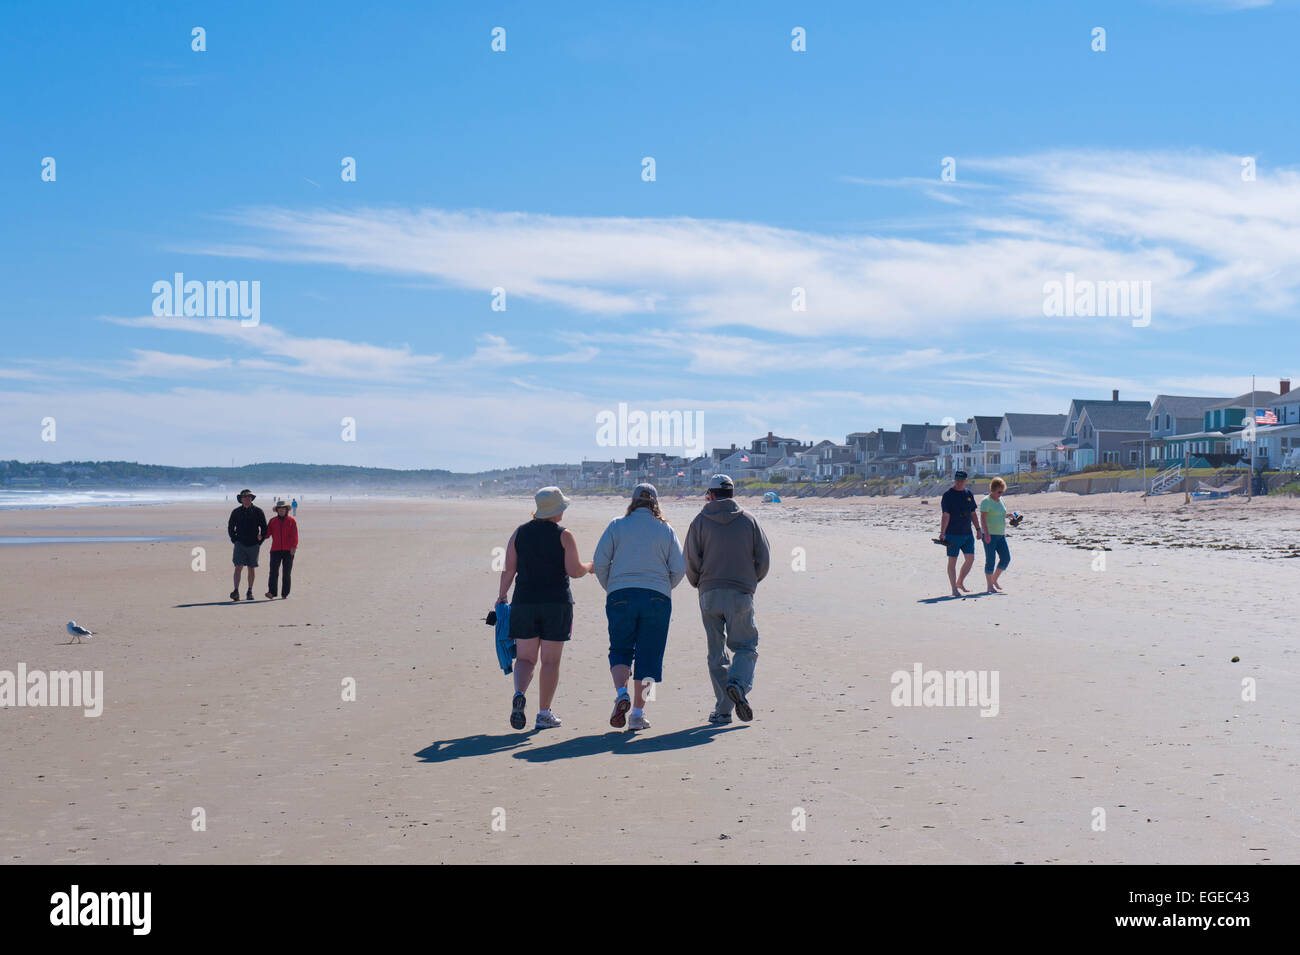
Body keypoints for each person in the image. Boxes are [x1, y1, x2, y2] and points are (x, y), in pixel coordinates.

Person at [496, 487, 593, 730]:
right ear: (557, 510)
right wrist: (590, 566)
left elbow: (509, 568)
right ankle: (543, 714)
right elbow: (574, 570)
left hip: (524, 603)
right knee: (550, 662)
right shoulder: (564, 535)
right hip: (556, 604)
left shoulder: (520, 533)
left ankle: (520, 693)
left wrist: (501, 596)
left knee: (526, 658)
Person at [592, 484, 686, 731]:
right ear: (655, 503)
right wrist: (664, 588)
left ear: (632, 502)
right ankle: (637, 714)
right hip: (657, 597)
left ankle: (621, 692)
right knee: (649, 655)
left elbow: (600, 562)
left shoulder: (616, 525)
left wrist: (611, 587)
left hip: (620, 594)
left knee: (621, 649)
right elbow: (679, 569)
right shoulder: (665, 529)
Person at [684, 474, 770, 725]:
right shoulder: (749, 521)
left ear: (710, 495)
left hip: (709, 593)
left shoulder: (699, 522)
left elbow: (690, 560)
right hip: (740, 593)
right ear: (732, 494)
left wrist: (698, 582)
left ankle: (723, 711)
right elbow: (763, 559)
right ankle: (738, 686)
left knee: (716, 654)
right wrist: (750, 582)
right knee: (745, 646)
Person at [939, 470, 977, 597]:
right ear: (954, 480)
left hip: (967, 533)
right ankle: (954, 588)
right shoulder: (948, 495)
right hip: (952, 534)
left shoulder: (968, 493)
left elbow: (973, 513)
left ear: (966, 481)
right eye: (957, 480)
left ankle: (960, 581)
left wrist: (978, 529)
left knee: (970, 559)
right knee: (952, 562)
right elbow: (945, 515)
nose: (959, 483)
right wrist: (942, 532)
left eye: (962, 481)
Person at [227, 489, 267, 601]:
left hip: (254, 544)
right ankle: (236, 591)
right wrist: (234, 539)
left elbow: (264, 528)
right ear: (241, 499)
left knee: (251, 568)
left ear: (251, 498)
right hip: (240, 543)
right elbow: (230, 527)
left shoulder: (258, 511)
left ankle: (249, 591)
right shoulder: (236, 512)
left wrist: (260, 541)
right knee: (238, 567)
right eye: (244, 497)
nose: (247, 498)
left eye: (249, 496)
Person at [979, 477, 1011, 593]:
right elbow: (982, 518)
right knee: (990, 560)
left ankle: (994, 579)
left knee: (1006, 558)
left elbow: (1000, 514)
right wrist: (986, 534)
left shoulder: (1001, 499)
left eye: (1002, 491)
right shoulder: (986, 501)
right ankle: (989, 586)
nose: (1000, 494)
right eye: (999, 492)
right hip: (989, 535)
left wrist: (1009, 516)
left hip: (1000, 535)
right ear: (992, 490)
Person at [265, 500, 299, 599]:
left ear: (286, 510)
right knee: (273, 572)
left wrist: (294, 547)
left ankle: (285, 593)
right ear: (277, 510)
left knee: (286, 572)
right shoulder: (272, 521)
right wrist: (260, 536)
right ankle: (272, 592)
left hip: (288, 550)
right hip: (275, 550)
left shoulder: (291, 521)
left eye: (283, 509)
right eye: (279, 509)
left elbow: (294, 535)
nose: (281, 510)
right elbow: (267, 534)